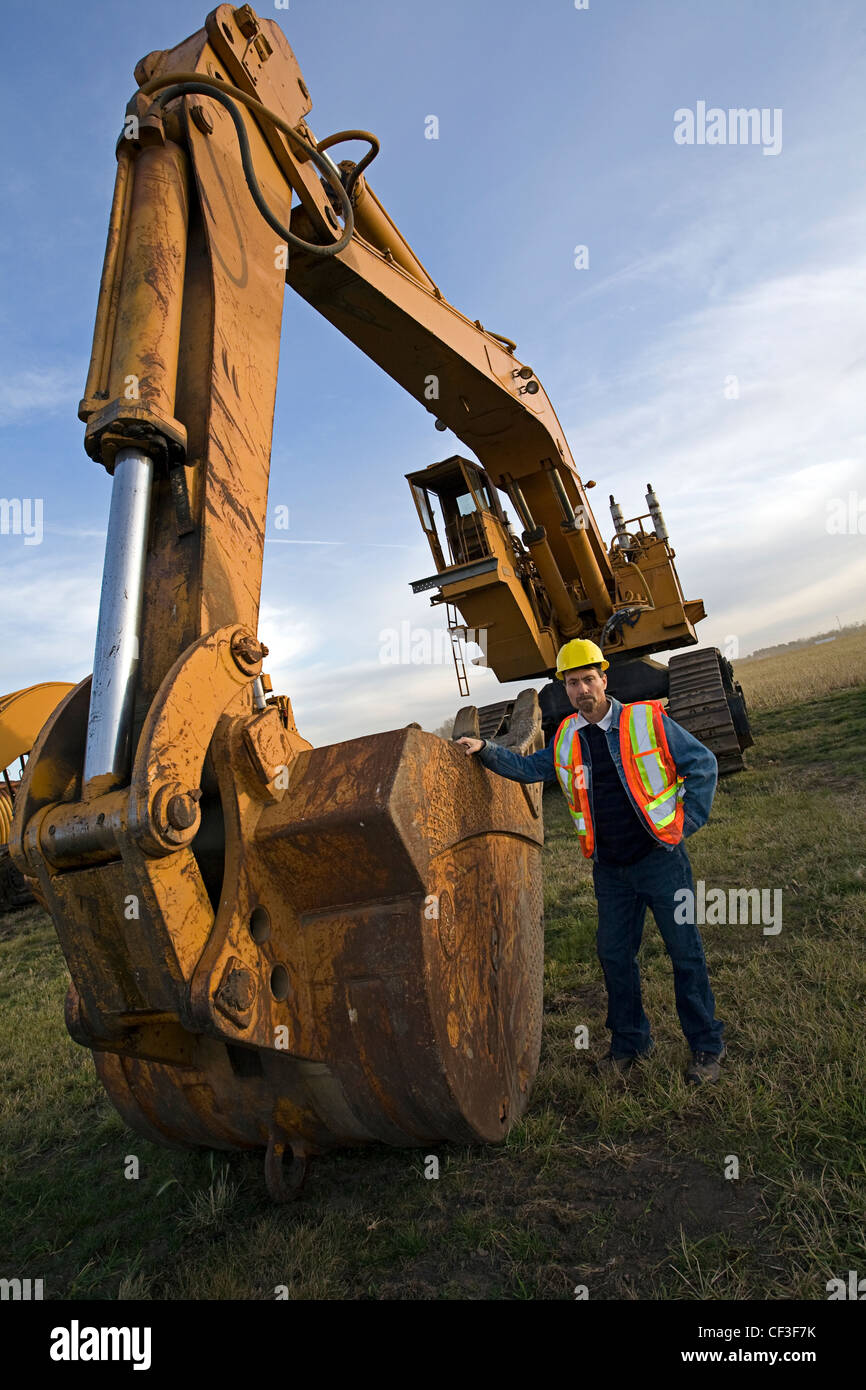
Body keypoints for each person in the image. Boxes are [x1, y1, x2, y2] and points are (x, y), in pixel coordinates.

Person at [456, 639, 726, 1083]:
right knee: (615, 957)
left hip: (661, 860)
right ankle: (630, 1044)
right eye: (572, 683)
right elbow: (530, 770)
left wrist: (685, 822)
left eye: (588, 679)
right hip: (611, 871)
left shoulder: (646, 720)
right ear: (565, 689)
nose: (581, 690)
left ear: (604, 678)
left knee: (686, 955)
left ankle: (706, 1046)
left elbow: (703, 764)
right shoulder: (567, 738)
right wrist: (484, 749)